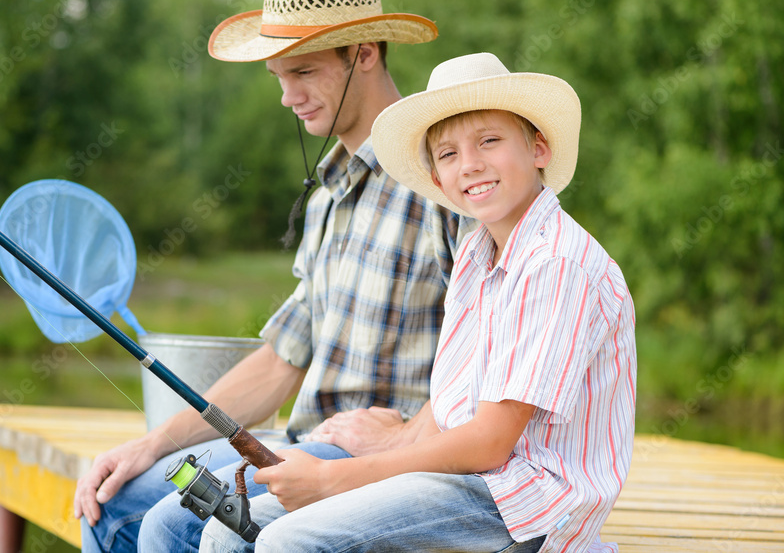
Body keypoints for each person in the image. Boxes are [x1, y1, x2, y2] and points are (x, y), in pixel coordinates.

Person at [74, 0, 473, 552]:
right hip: (300, 440)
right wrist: (153, 444)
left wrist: (407, 436)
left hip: (386, 463)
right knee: (110, 504)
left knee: (174, 524)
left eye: (304, 71)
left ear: (364, 52)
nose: (288, 96)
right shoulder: (328, 197)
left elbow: (496, 344)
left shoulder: (443, 175)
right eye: (278, 76)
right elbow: (282, 360)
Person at [200, 52, 637, 552]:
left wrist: (333, 479)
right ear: (436, 179)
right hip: (468, 480)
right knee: (228, 529)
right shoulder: (478, 252)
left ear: (538, 147)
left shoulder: (555, 262)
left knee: (291, 542)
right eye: (448, 154)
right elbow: (460, 412)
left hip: (525, 506)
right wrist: (378, 452)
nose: (470, 164)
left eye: (489, 141)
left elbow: (490, 442)